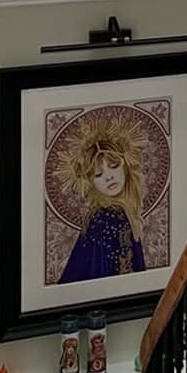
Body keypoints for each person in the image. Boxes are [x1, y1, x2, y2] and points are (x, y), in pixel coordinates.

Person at [56, 110, 147, 283]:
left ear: (125, 167)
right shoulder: (107, 217)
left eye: (113, 166)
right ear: (91, 182)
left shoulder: (124, 210)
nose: (109, 177)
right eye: (98, 174)